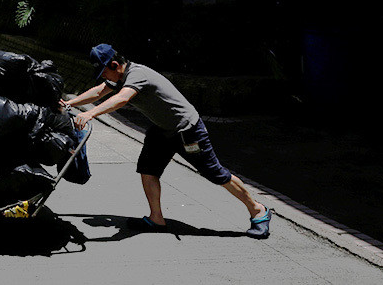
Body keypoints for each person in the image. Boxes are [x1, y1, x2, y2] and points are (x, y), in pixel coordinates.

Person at [61, 43, 272, 238]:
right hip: (162, 130)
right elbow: (100, 91)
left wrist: (90, 114)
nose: (103, 78)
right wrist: (70, 103)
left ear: (115, 65)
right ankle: (156, 219)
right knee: (147, 169)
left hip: (187, 130)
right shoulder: (119, 77)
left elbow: (122, 99)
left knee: (215, 173)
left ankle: (258, 210)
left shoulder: (137, 74)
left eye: (104, 72)